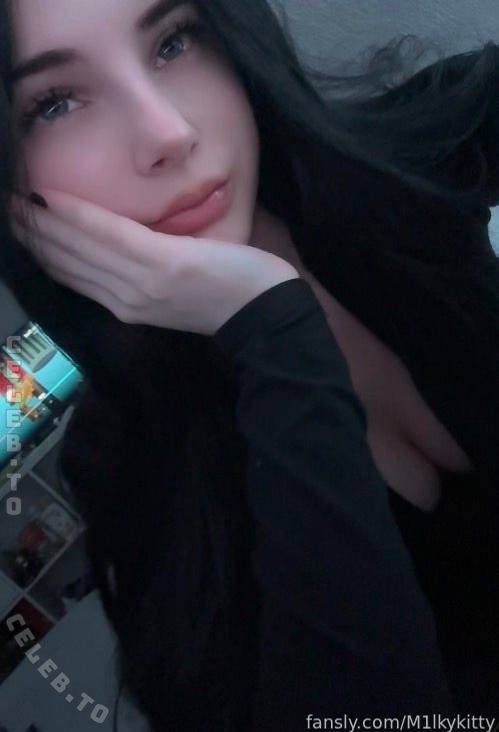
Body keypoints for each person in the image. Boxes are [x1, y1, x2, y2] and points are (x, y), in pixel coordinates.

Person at [0, 0, 498, 729]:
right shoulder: (130, 475)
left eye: (174, 41)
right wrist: (267, 326)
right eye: (54, 103)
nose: (169, 133)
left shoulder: (411, 155)